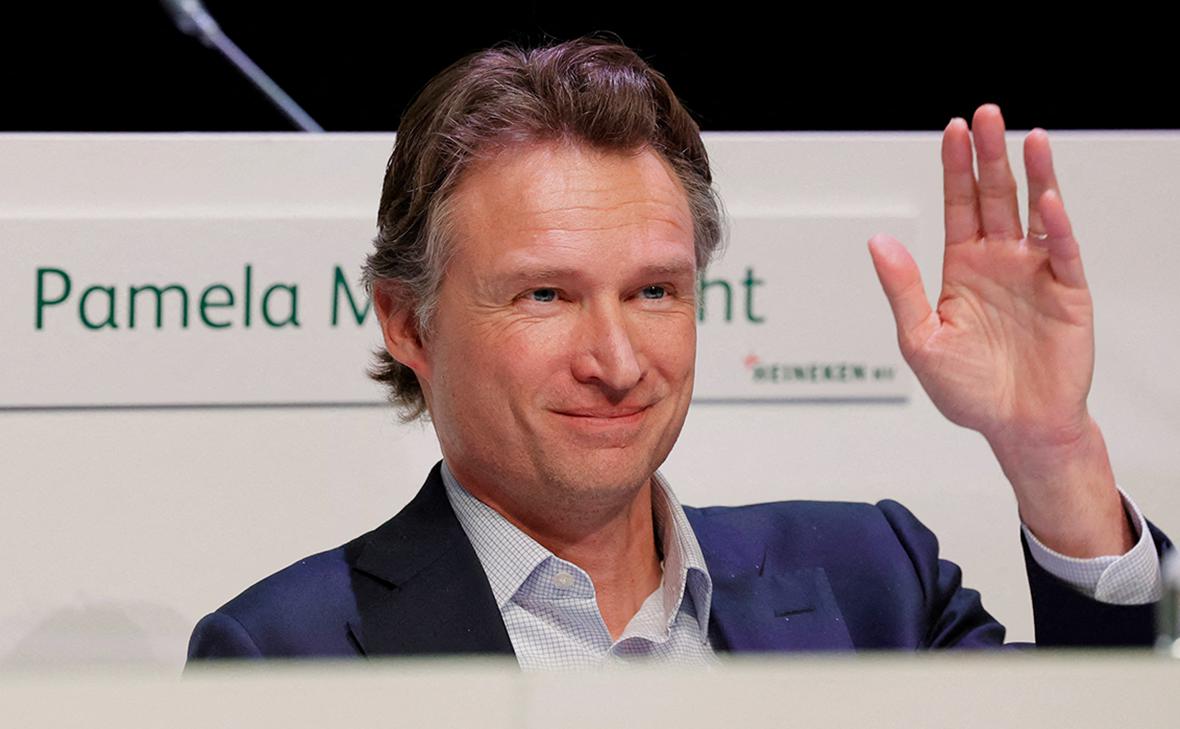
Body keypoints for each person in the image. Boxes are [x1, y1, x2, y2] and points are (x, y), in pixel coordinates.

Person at [187, 38, 1169, 668]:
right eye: (545, 294)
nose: (616, 361)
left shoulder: (874, 583)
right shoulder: (287, 656)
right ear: (408, 322)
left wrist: (1052, 449)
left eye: (653, 290)